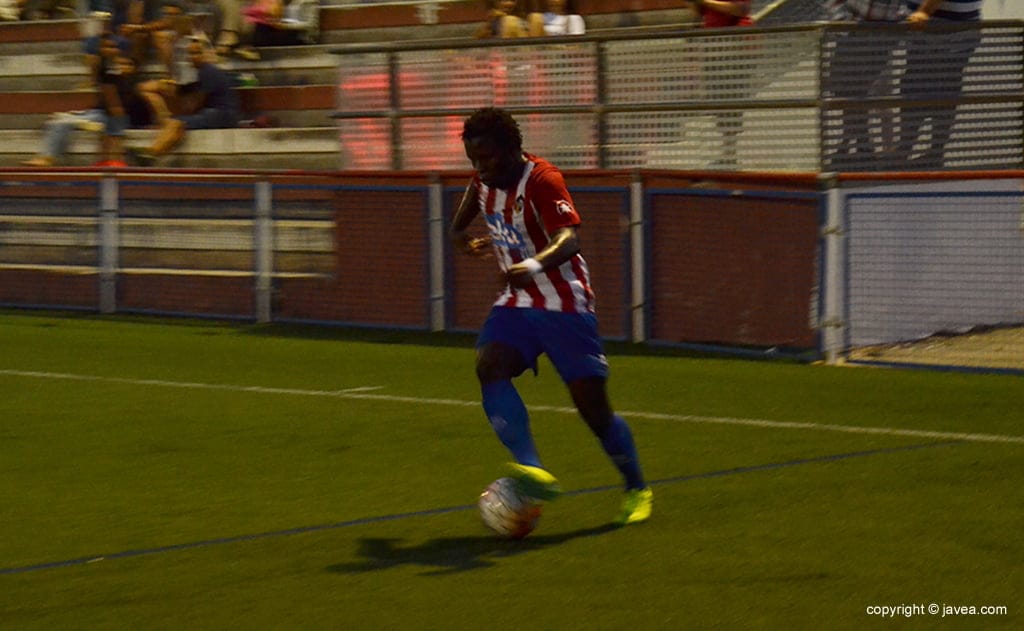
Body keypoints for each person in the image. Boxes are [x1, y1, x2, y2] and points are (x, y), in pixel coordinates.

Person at [449, 107, 653, 526]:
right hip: (518, 303)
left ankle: (636, 487)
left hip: (564, 302)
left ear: (511, 149)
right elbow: (468, 205)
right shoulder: (483, 179)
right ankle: (532, 467)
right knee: (489, 364)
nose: (479, 169)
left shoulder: (542, 180)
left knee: (595, 412)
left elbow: (569, 238)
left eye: (486, 158)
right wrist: (460, 234)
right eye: (473, 160)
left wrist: (532, 266)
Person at [21, 32, 149, 167]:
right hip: (100, 113)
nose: (124, 67)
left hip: (111, 118)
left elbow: (116, 108)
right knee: (57, 120)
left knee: (61, 123)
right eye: (106, 47)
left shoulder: (130, 83)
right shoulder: (106, 71)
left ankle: (47, 158)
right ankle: (52, 153)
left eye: (113, 47)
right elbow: (105, 98)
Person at [896, 0, 984, 168]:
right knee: (943, 91)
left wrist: (924, 11)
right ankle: (931, 152)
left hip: (939, 34)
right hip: (950, 32)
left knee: (917, 90)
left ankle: (907, 151)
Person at [821, 0, 907, 170]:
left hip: (878, 35)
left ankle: (858, 147)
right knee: (846, 92)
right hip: (854, 31)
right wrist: (844, 22)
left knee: (856, 92)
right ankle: (860, 146)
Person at [128, 35, 240, 165]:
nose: (193, 57)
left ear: (206, 53)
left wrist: (175, 116)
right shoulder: (196, 73)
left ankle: (152, 153)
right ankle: (151, 153)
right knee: (175, 121)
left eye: (197, 53)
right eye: (191, 53)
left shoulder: (208, 71)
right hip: (212, 112)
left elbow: (196, 104)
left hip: (221, 114)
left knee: (176, 123)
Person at [678, 0, 752, 167]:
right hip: (713, 46)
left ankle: (730, 151)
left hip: (734, 48)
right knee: (718, 99)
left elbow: (740, 9)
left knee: (731, 99)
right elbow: (700, 12)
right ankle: (727, 151)